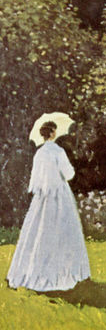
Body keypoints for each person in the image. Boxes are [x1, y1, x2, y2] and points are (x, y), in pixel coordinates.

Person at [7, 121, 90, 291]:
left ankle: (33, 272)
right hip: (59, 194)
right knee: (62, 229)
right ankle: (63, 273)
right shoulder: (58, 151)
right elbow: (69, 174)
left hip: (43, 196)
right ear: (52, 132)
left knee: (39, 229)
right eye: (55, 130)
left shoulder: (39, 153)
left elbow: (36, 179)